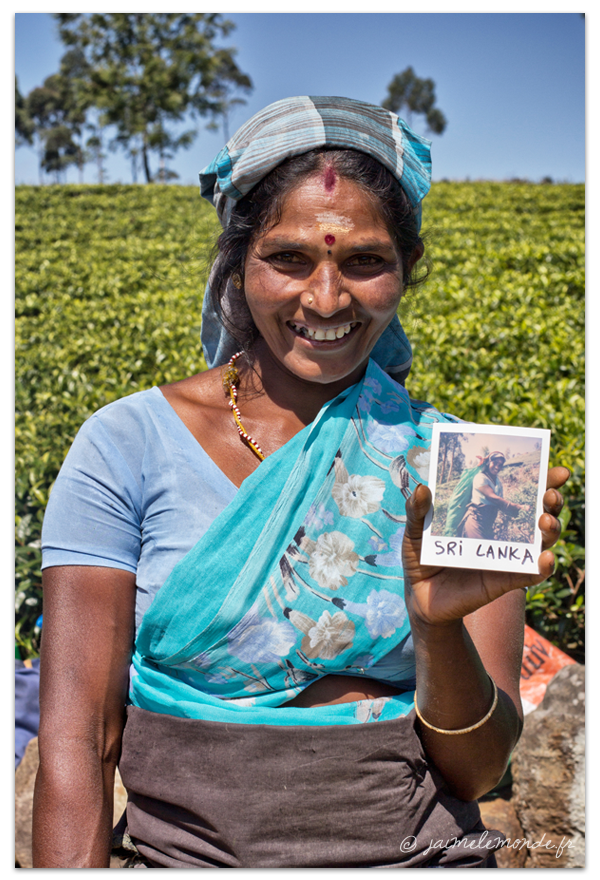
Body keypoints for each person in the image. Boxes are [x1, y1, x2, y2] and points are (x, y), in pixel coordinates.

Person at [33, 96, 568, 870]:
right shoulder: (125, 445)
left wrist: (439, 625)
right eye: (288, 259)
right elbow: (81, 739)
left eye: (364, 261)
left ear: (405, 271)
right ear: (237, 261)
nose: (325, 299)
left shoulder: (462, 466)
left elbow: (480, 770)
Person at [446, 452, 529, 540]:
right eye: (495, 463)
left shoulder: (498, 482)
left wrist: (521, 514)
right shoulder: (480, 478)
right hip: (475, 521)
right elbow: (494, 498)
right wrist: (520, 507)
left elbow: (501, 505)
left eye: (500, 465)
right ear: (489, 462)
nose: (497, 467)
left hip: (488, 525)